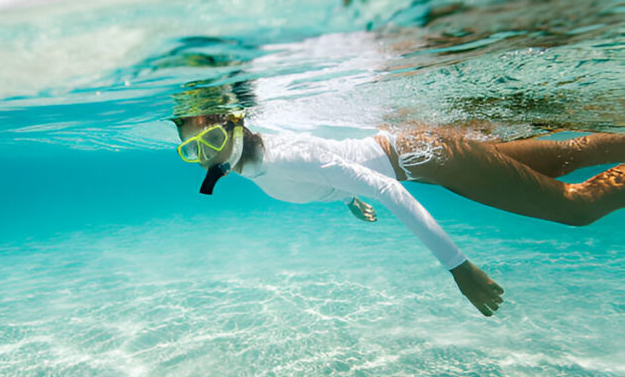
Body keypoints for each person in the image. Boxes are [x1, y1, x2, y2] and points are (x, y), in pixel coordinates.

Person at [173, 113, 624, 317]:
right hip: (422, 154)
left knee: (577, 207)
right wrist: (348, 197)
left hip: (430, 158)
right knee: (564, 156)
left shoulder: (283, 158)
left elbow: (383, 185)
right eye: (191, 151)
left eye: (209, 140)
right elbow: (338, 163)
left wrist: (459, 268)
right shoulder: (261, 161)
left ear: (236, 122)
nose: (204, 158)